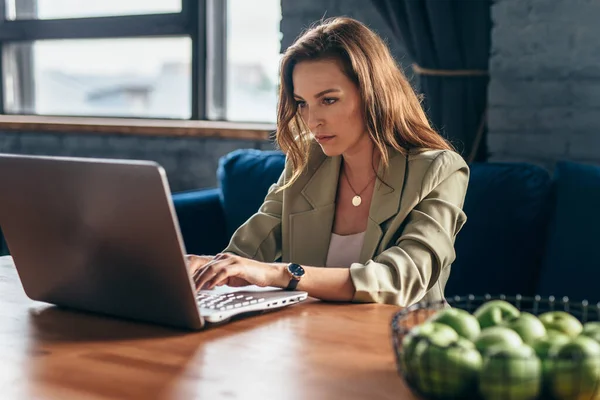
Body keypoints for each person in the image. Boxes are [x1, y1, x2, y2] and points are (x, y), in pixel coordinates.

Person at [188, 17, 470, 307]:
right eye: (302, 103)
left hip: (402, 341)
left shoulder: (440, 170)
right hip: (313, 336)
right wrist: (202, 268)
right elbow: (246, 255)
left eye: (329, 100)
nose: (312, 120)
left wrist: (283, 274)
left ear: (373, 94)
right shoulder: (306, 162)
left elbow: (402, 280)